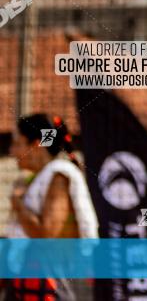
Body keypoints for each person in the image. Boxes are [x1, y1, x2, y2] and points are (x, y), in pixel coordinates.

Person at [6, 114, 99, 300]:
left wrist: (17, 204)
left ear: (36, 144)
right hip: (29, 279)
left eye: (17, 143)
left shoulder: (58, 177)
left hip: (48, 282)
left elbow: (47, 235)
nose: (11, 152)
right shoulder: (37, 179)